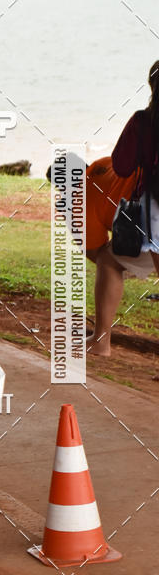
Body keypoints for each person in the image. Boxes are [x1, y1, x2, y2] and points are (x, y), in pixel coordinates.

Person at [87, 60, 159, 356]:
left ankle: (101, 342)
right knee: (110, 259)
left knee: (109, 261)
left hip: (154, 211)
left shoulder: (143, 120)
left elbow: (122, 165)